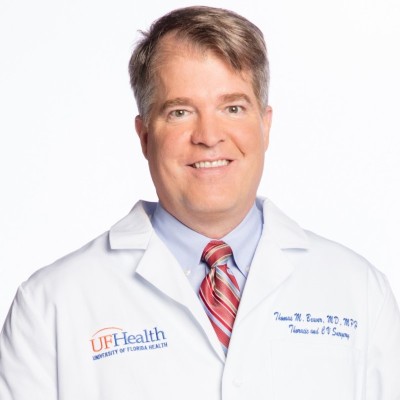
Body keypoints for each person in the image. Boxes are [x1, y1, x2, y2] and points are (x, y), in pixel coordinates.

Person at [1, 5, 399, 399]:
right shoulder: (50, 306)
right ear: (144, 137)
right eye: (180, 112)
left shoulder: (360, 293)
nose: (209, 136)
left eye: (233, 108)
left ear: (265, 126)